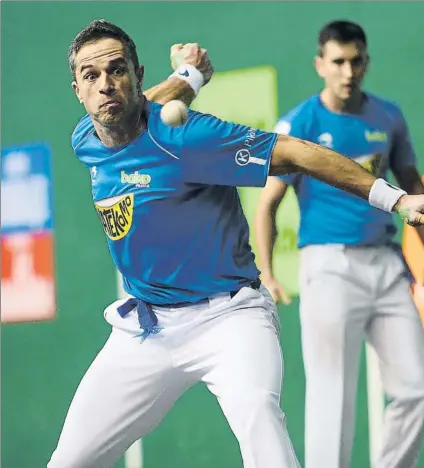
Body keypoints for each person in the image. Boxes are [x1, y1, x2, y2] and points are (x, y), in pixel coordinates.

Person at [48, 19, 424, 468]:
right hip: (145, 329)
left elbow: (297, 153)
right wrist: (190, 73)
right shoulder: (85, 139)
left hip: (229, 318)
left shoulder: (190, 138)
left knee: (259, 414)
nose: (106, 85)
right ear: (77, 89)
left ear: (137, 74)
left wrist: (394, 198)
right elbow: (147, 103)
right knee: (69, 460)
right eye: (92, 76)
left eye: (117, 70)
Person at [254, 20, 424, 468]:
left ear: (366, 62)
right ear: (320, 65)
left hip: (388, 268)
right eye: (338, 62)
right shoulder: (300, 122)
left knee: (417, 390)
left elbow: (413, 192)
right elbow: (266, 205)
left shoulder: (389, 117)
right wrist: (267, 274)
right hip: (328, 269)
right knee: (332, 397)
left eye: (356, 61)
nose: (348, 71)